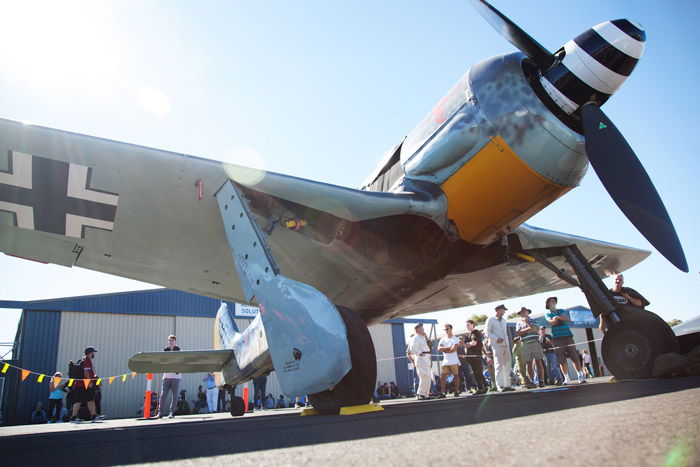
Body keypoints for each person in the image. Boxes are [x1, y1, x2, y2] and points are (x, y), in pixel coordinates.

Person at [545, 297, 586, 384]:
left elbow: (567, 319)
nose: (553, 302)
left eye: (554, 301)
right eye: (551, 301)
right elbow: (551, 322)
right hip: (557, 338)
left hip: (568, 336)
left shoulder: (561, 310)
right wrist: (558, 319)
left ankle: (580, 376)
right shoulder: (548, 313)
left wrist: (557, 317)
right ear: (548, 304)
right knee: (561, 359)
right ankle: (566, 378)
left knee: (574, 356)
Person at [515, 307, 546, 388]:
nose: (523, 314)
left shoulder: (534, 320)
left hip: (535, 342)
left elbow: (535, 329)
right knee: (529, 363)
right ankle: (532, 381)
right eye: (521, 313)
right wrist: (529, 329)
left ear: (528, 313)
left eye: (525, 312)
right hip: (525, 343)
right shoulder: (518, 323)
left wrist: (528, 324)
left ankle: (541, 380)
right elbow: (518, 333)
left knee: (539, 361)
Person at [70, 346, 102, 422]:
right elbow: (86, 372)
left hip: (78, 384)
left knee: (78, 401)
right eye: (93, 352)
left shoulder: (82, 360)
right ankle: (94, 416)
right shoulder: (87, 360)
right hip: (85, 384)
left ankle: (73, 417)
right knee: (90, 400)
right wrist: (89, 382)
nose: (93, 354)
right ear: (90, 353)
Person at [486, 305, 514, 392]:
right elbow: (487, 332)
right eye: (503, 310)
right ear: (498, 310)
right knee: (499, 364)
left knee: (507, 364)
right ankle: (500, 385)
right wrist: (496, 338)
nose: (504, 312)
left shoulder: (504, 321)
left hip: (506, 345)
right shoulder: (490, 319)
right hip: (497, 345)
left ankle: (507, 385)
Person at [156, 335, 181, 419]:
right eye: (170, 340)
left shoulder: (179, 350)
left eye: (173, 340)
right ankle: (160, 412)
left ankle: (172, 412)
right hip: (166, 376)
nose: (171, 342)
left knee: (175, 395)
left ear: (175, 341)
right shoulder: (165, 350)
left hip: (176, 376)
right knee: (163, 395)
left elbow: (180, 361)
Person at [407, 323, 432, 400]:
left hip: (426, 357)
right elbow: (412, 347)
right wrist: (419, 353)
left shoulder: (422, 337)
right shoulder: (415, 337)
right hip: (421, 358)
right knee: (425, 375)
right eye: (422, 328)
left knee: (428, 376)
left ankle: (425, 393)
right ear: (418, 329)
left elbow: (430, 345)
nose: (423, 330)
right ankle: (420, 393)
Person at [437, 324, 461, 398]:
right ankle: (443, 392)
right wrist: (448, 348)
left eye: (447, 329)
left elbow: (454, 349)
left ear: (451, 329)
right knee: (443, 376)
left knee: (456, 376)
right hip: (446, 361)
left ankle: (456, 391)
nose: (446, 331)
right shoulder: (443, 339)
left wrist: (445, 350)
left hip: (453, 361)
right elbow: (439, 348)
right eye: (445, 329)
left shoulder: (455, 339)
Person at [465, 320, 488, 394]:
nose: (467, 326)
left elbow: (474, 343)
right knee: (476, 373)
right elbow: (465, 345)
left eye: (468, 325)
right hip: (470, 357)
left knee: (478, 372)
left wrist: (467, 344)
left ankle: (483, 387)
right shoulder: (468, 335)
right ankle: (483, 386)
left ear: (473, 325)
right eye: (466, 325)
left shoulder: (475, 333)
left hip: (476, 356)